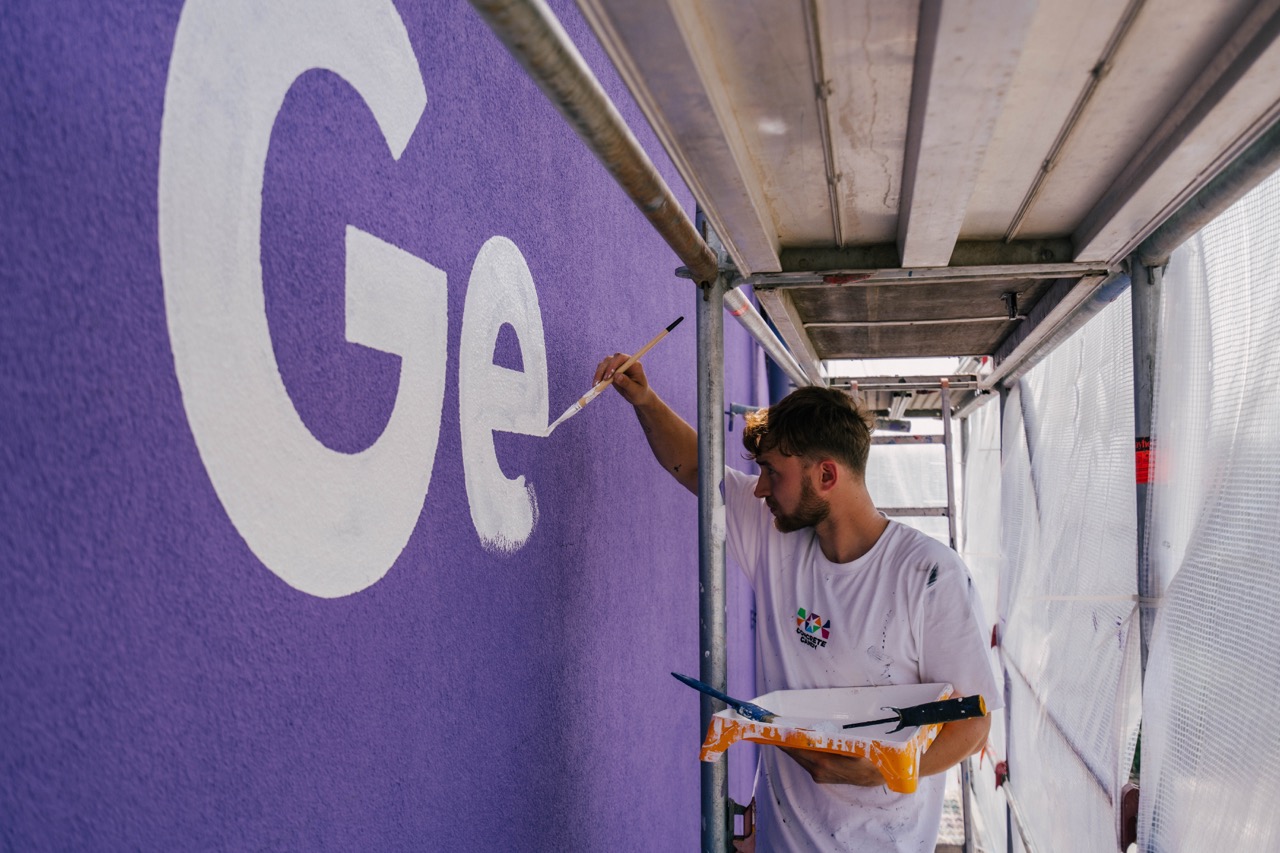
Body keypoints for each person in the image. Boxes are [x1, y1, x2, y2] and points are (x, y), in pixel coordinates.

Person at [594, 353, 1001, 852]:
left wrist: (879, 771)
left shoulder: (929, 575)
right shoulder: (778, 534)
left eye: (771, 472)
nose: (759, 487)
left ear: (826, 476)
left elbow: (973, 723)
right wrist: (644, 400)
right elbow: (696, 468)